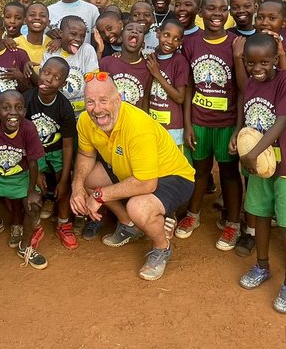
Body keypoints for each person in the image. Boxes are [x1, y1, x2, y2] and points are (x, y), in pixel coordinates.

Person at [71, 74, 195, 281]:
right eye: (90, 102)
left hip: (172, 177)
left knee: (139, 207)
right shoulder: (85, 120)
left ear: (118, 99)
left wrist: (100, 195)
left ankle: (161, 247)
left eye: (104, 100)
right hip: (132, 172)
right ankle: (129, 225)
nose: (97, 109)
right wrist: (77, 187)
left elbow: (146, 183)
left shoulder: (138, 126)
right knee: (88, 178)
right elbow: (86, 154)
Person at [232, 33, 286, 312]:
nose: (258, 68)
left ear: (275, 59)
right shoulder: (252, 83)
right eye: (251, 63)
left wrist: (252, 153)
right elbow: (251, 119)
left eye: (264, 62)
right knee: (260, 215)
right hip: (259, 166)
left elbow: (282, 119)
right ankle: (262, 266)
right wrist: (240, 141)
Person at [177, 0, 244, 247]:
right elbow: (189, 87)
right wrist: (187, 125)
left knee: (229, 173)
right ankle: (193, 214)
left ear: (227, 13)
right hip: (199, 122)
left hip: (226, 123)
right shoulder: (191, 43)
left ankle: (233, 222)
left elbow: (241, 91)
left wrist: (238, 129)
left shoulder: (236, 44)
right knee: (200, 171)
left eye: (222, 9)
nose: (217, 14)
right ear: (200, 12)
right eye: (211, 9)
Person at [0, 90, 47, 276]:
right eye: (6, 108)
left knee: (34, 204)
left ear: (24, 111)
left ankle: (25, 246)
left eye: (18, 108)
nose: (13, 113)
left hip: (19, 177)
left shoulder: (28, 128)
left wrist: (31, 191)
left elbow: (32, 162)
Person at [25, 57, 77, 249]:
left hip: (56, 150)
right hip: (33, 151)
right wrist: (36, 172)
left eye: (56, 77)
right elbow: (21, 139)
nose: (48, 79)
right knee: (31, 185)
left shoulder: (65, 108)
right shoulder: (27, 99)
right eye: (46, 72)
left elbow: (68, 146)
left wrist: (64, 180)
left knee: (64, 183)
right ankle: (34, 226)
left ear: (63, 84)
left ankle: (64, 223)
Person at [145, 20, 188, 148]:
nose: (170, 41)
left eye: (176, 39)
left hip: (173, 129)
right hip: (152, 125)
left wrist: (157, 74)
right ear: (158, 34)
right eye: (166, 35)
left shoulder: (180, 62)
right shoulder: (151, 58)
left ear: (180, 42)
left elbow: (180, 97)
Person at [42, 16, 98, 113]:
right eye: (73, 34)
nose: (78, 39)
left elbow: (92, 79)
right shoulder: (51, 51)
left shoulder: (87, 50)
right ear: (60, 33)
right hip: (59, 109)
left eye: (82, 36)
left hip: (83, 109)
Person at [101, 23, 153, 108]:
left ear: (143, 44)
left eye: (139, 31)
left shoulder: (148, 67)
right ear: (120, 38)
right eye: (129, 29)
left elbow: (145, 100)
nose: (134, 31)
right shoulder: (106, 63)